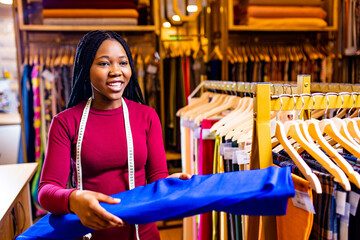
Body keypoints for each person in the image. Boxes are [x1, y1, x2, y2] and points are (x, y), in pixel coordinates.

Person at [38, 30, 190, 240]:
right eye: (104, 63)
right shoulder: (65, 122)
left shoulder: (147, 117)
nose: (116, 71)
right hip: (89, 236)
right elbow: (46, 192)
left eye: (123, 63)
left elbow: (157, 179)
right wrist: (74, 198)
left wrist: (169, 184)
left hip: (143, 235)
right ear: (86, 69)